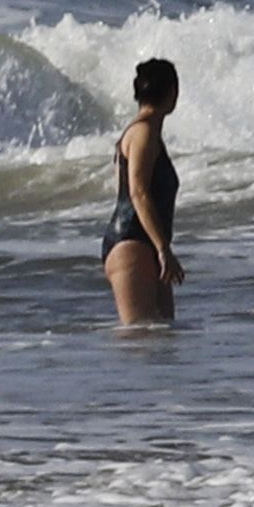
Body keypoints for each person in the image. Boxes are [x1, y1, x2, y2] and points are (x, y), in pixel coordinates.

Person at [102, 58, 185, 324]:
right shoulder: (143, 134)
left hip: (145, 243)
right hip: (132, 242)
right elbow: (137, 192)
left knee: (163, 339)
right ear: (173, 91)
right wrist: (163, 248)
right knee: (141, 339)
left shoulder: (144, 133)